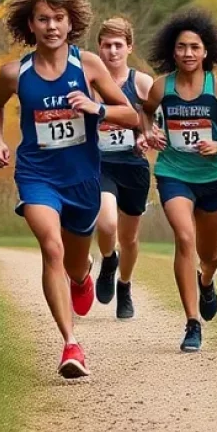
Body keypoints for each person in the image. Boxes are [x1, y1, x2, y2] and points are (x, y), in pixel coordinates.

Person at [0, 0, 139, 378]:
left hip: (83, 179)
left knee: (72, 260)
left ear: (71, 22)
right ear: (30, 25)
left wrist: (95, 107)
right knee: (50, 248)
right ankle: (71, 345)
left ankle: (83, 274)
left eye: (58, 18)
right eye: (43, 19)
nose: (51, 26)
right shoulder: (15, 73)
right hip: (37, 174)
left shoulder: (87, 65)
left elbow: (131, 115)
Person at [142, 9, 217, 352]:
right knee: (184, 238)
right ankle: (192, 323)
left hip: (212, 176)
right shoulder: (162, 86)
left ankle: (206, 280)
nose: (188, 53)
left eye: (194, 47)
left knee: (209, 252)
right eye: (181, 47)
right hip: (173, 172)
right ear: (171, 51)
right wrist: (150, 131)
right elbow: (144, 112)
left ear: (207, 52)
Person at [93, 17, 153, 321]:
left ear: (129, 47)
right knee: (105, 224)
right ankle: (107, 258)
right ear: (99, 48)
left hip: (133, 166)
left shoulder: (140, 82)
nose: (112, 51)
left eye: (118, 45)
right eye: (107, 45)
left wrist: (146, 136)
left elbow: (157, 120)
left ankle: (125, 285)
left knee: (129, 238)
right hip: (101, 164)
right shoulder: (89, 82)